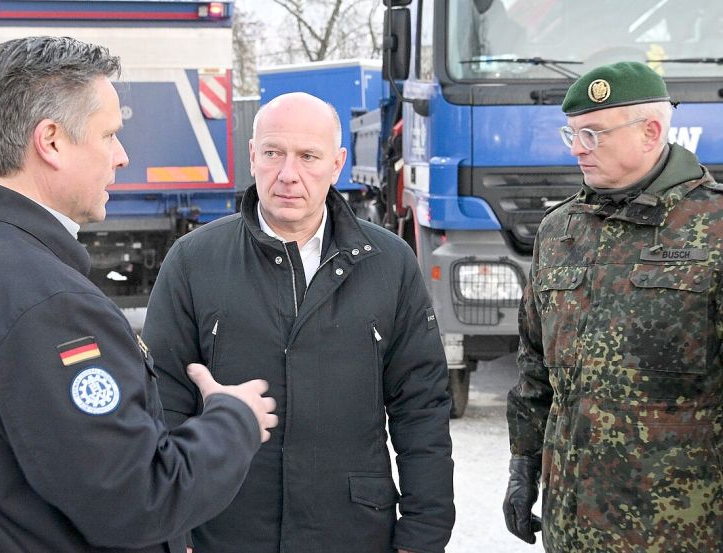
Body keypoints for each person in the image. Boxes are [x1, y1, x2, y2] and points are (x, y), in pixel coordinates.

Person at [0, 36, 277, 553]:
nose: (122, 156)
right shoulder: (45, 304)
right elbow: (139, 500)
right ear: (52, 142)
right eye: (109, 135)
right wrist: (234, 419)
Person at [142, 92, 455, 553]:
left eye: (309, 156)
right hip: (226, 531)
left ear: (337, 164)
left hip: (353, 533)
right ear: (253, 156)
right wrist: (171, 528)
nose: (289, 173)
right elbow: (161, 402)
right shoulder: (194, 261)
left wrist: (424, 533)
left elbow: (421, 407)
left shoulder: (389, 263)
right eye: (274, 153)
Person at [503, 61, 723, 552]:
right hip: (572, 525)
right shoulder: (560, 230)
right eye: (572, 133)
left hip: (681, 530)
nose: (577, 148)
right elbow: (535, 366)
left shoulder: (714, 228)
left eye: (594, 134)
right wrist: (523, 464)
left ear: (650, 132)